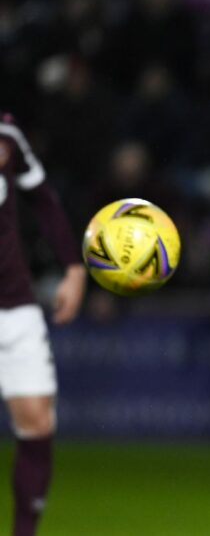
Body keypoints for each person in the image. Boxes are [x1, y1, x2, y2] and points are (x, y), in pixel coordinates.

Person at [0, 113, 86, 536]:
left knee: (36, 422)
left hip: (15, 304)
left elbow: (43, 198)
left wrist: (72, 266)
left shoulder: (7, 132)